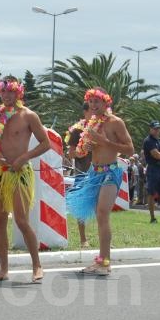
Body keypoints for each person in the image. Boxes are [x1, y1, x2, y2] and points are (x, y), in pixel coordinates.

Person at [0, 76, 50, 283]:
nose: (7, 95)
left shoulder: (28, 116)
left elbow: (45, 143)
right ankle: (3, 269)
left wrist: (24, 157)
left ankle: (37, 266)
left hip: (20, 173)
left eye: (11, 92)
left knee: (21, 220)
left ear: (18, 93)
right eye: (3, 92)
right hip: (0, 172)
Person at [66, 87, 135, 275]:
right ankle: (101, 260)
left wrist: (103, 141)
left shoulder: (116, 123)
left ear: (106, 103)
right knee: (98, 215)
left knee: (103, 213)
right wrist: (86, 147)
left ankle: (105, 262)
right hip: (93, 173)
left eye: (97, 101)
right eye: (91, 101)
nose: (93, 105)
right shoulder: (91, 123)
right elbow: (80, 152)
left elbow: (129, 149)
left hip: (110, 173)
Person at [66, 103, 93, 248]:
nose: (95, 112)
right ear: (85, 112)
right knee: (82, 205)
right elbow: (70, 153)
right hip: (82, 172)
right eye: (91, 110)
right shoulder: (77, 130)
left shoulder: (102, 128)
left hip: (101, 171)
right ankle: (83, 239)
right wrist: (82, 150)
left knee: (102, 206)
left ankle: (104, 239)